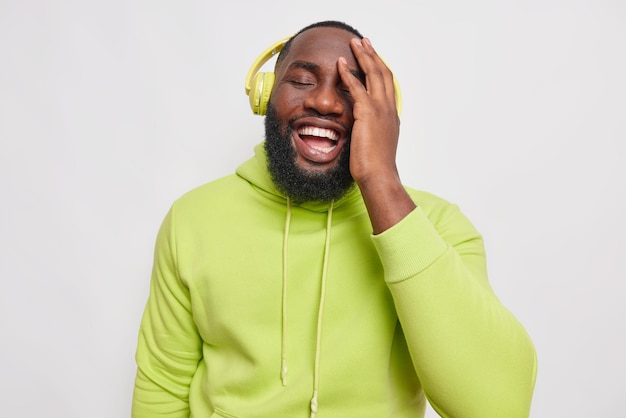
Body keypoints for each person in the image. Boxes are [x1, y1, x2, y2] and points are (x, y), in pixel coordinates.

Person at [132, 20, 537, 418]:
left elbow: (496, 407)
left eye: (352, 88)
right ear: (265, 96)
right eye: (303, 81)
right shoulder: (193, 219)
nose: (325, 102)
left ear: (382, 114)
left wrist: (380, 180)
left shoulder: (438, 227)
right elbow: (162, 390)